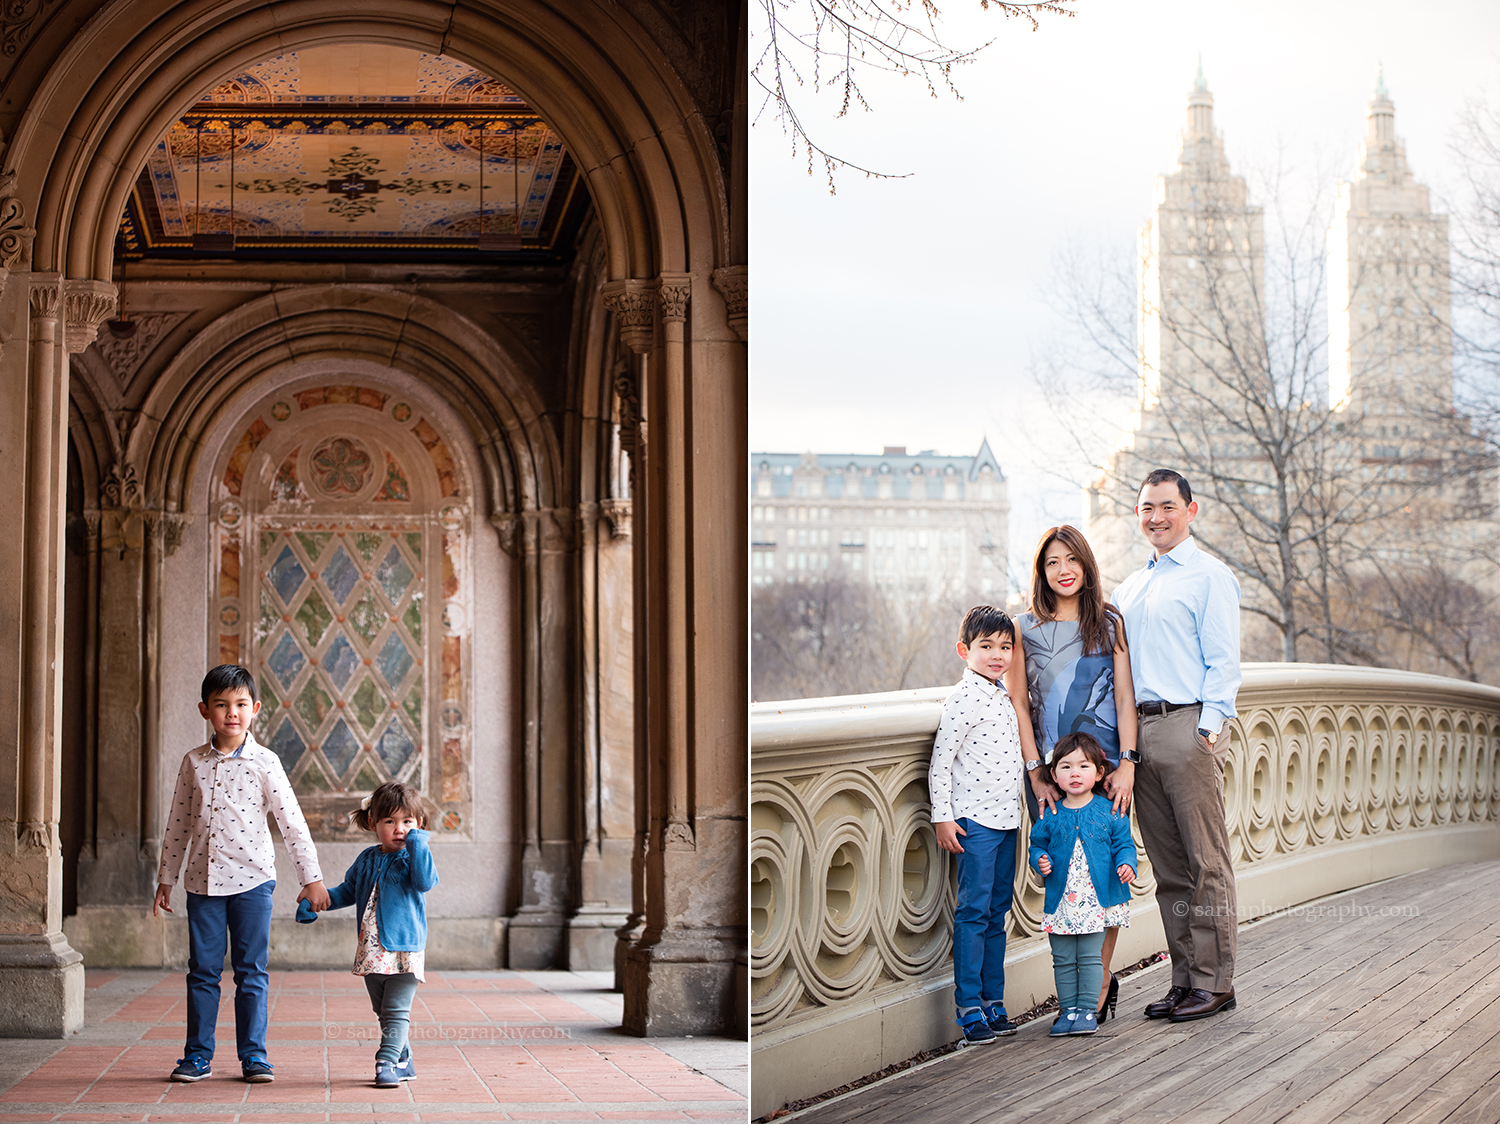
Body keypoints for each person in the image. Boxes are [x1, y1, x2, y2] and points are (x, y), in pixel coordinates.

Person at [153, 664, 331, 1084]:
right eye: (221, 705)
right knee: (203, 971)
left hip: (253, 883)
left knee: (251, 971)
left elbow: (292, 823)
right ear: (205, 710)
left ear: (255, 709)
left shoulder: (266, 762)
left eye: (240, 704)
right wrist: (167, 877)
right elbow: (178, 822)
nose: (231, 713)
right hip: (203, 883)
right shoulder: (192, 763)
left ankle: (254, 1056)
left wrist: (312, 877)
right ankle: (197, 1056)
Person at [1113, 468, 1242, 1023]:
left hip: (1188, 726)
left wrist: (1208, 729)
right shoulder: (1128, 588)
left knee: (1206, 862)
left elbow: (1224, 660)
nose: (1156, 517)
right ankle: (1184, 980)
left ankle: (1216, 983)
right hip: (1138, 735)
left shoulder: (1210, 576)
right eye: (1146, 508)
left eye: (1167, 506)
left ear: (1191, 510)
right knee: (1169, 869)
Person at [1007, 524, 1139, 1021]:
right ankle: (1079, 985)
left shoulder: (1109, 623)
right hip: (1053, 776)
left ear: (1086, 565)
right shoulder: (1024, 629)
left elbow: (1125, 698)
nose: (1063, 571)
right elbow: (1019, 702)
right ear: (1042, 571)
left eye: (1071, 560)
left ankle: (1098, 982)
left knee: (1105, 875)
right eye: (1052, 563)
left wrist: (1127, 763)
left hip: (1106, 773)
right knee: (1063, 875)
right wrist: (1035, 771)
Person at [929, 605, 1052, 1044]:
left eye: (1005, 646)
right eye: (986, 647)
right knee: (973, 913)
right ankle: (969, 1010)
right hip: (973, 822)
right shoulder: (962, 699)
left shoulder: (1002, 695)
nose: (998, 655)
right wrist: (942, 816)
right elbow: (940, 764)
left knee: (997, 912)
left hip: (1006, 821)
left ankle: (993, 1003)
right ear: (964, 650)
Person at [300, 780, 440, 1087]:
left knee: (395, 1009)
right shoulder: (367, 858)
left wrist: (420, 844)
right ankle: (404, 1061)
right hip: (371, 949)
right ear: (372, 823)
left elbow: (425, 882)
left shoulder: (413, 857)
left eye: (407, 821)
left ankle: (386, 1061)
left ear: (418, 825)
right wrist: (318, 901)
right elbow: (348, 891)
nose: (399, 828)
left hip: (404, 948)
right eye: (389, 821)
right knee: (382, 1009)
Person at [1027, 733, 1137, 1037]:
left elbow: (1124, 844)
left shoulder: (1109, 811)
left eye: (1084, 766)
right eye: (1066, 767)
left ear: (1099, 773)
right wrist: (1040, 860)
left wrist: (1127, 864)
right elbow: (1036, 846)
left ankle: (1087, 1010)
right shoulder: (1050, 816)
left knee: (1090, 957)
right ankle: (1068, 1010)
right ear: (1054, 775)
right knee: (1062, 958)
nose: (1075, 773)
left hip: (1095, 902)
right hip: (1061, 902)